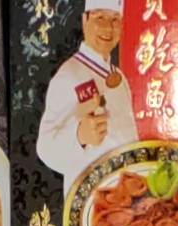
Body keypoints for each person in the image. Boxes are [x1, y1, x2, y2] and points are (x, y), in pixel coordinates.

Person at [36, 0, 139, 193]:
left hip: (124, 192)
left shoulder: (119, 77)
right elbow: (45, 147)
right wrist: (79, 136)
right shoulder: (69, 75)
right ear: (85, 20)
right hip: (88, 195)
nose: (108, 27)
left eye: (115, 19)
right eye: (100, 17)